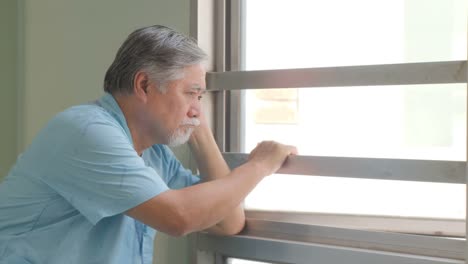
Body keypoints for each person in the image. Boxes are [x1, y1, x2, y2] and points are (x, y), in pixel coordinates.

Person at [0, 25, 297, 264]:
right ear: (144, 85)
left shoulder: (154, 153)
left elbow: (226, 221)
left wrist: (199, 130)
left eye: (201, 97)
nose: (197, 108)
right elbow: (179, 218)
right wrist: (260, 165)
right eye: (191, 93)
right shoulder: (85, 132)